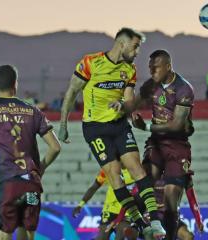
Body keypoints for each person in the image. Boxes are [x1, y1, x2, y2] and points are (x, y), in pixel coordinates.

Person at [58, 27, 165, 238]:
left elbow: (128, 100)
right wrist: (63, 125)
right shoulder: (90, 63)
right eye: (135, 47)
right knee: (115, 176)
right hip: (95, 129)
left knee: (137, 169)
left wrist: (124, 106)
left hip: (119, 126)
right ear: (122, 44)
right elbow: (72, 92)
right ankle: (137, 220)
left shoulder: (129, 70)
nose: (136, 53)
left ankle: (154, 221)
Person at [0, 65, 61, 240]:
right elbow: (55, 147)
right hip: (32, 186)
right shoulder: (33, 110)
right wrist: (41, 168)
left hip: (7, 183)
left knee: (2, 231)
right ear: (15, 84)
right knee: (28, 231)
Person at [130, 49, 197, 240]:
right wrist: (125, 107)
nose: (152, 71)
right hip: (157, 143)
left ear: (168, 66)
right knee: (144, 181)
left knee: (170, 202)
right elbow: (135, 102)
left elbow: (176, 125)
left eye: (156, 67)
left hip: (178, 146)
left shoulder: (184, 89)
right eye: (150, 67)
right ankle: (140, 222)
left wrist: (146, 127)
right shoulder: (151, 85)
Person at [72, 169, 139, 240]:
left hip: (127, 211)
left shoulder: (134, 168)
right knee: (102, 237)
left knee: (120, 235)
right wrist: (80, 205)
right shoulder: (108, 169)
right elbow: (94, 187)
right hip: (109, 210)